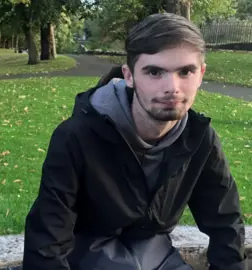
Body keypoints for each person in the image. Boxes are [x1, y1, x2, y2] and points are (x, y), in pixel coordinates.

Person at [23, 13, 247, 270]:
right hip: (88, 255)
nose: (172, 87)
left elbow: (225, 222)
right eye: (154, 72)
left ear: (201, 74)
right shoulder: (77, 136)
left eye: (185, 71)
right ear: (129, 76)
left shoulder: (200, 139)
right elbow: (48, 237)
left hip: (158, 254)